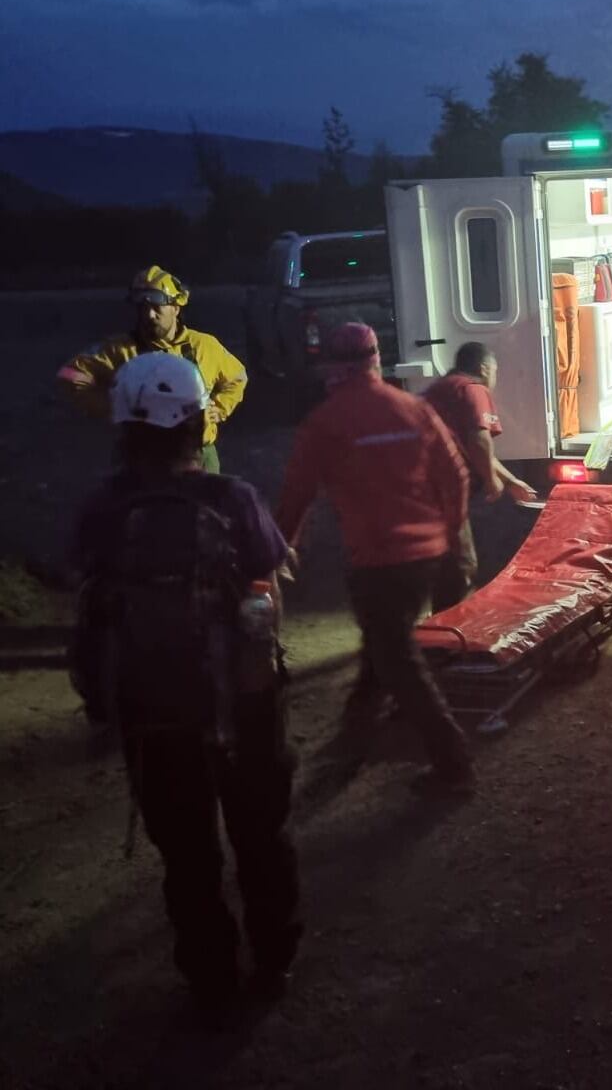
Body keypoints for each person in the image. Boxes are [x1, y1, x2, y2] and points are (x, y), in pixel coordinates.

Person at [68, 352, 301, 1011]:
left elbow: (88, 595)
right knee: (261, 837)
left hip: (150, 711)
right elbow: (268, 589)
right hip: (243, 705)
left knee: (188, 856)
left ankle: (211, 981)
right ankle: (274, 961)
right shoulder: (231, 498)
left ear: (124, 425)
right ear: (198, 422)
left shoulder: (104, 507)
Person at [275, 323, 475, 794]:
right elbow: (456, 476)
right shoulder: (415, 409)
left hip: (377, 562)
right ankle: (352, 741)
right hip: (427, 556)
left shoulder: (325, 422)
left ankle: (454, 765)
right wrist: (452, 531)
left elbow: (296, 494)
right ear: (375, 359)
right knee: (383, 647)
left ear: (331, 365)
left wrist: (281, 546)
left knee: (397, 657)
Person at [57, 265, 248, 472]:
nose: (149, 315)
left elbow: (237, 376)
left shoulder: (204, 346)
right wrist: (114, 407)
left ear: (176, 308)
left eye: (157, 307)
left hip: (198, 455)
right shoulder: (119, 350)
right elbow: (70, 375)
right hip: (141, 459)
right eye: (142, 308)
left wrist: (219, 408)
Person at [423, 342, 537, 610]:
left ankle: (438, 618)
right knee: (463, 563)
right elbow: (479, 441)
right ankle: (450, 625)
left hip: (422, 488)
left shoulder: (439, 389)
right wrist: (491, 480)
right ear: (484, 368)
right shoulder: (473, 389)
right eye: (495, 371)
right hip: (445, 488)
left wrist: (510, 480)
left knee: (443, 558)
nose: (494, 378)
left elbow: (474, 448)